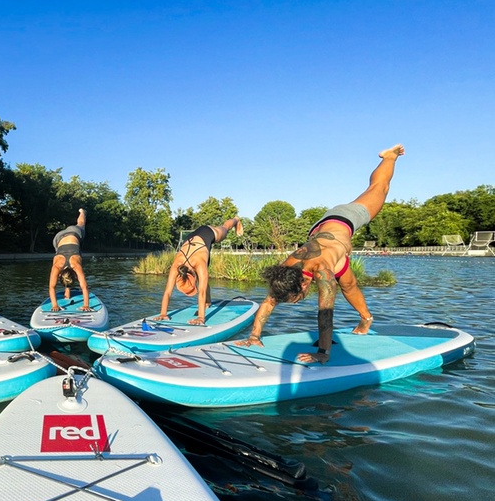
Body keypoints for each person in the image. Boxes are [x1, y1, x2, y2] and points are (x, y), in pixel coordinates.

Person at [235, 144, 405, 364]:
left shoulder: (324, 275)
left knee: (379, 188)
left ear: (304, 285)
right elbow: (268, 302)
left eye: (296, 299)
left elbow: (325, 314)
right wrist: (254, 336)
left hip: (344, 219)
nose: (295, 304)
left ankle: (389, 157)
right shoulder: (288, 269)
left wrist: (323, 353)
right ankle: (366, 318)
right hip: (323, 233)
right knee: (350, 285)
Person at [155, 217, 243, 325]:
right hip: (191, 239)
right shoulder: (176, 265)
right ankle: (208, 302)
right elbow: (167, 292)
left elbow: (201, 292)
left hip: (208, 233)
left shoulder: (200, 263)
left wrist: (201, 317)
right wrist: (163, 313)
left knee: (225, 228)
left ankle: (236, 220)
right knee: (203, 280)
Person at [48, 209, 93, 312]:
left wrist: (55, 305)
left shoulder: (63, 266)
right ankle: (82, 212)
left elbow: (51, 287)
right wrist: (86, 305)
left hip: (69, 234)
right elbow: (84, 287)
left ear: (59, 275)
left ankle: (83, 213)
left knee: (81, 224)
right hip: (59, 239)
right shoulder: (74, 266)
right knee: (80, 223)